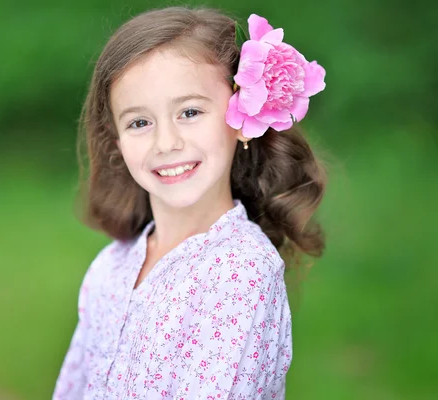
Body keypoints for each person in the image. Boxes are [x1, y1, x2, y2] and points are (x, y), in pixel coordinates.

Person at [54, 5, 327, 399]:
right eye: (140, 122)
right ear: (118, 143)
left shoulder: (241, 272)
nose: (167, 143)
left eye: (190, 111)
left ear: (240, 116)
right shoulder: (111, 267)